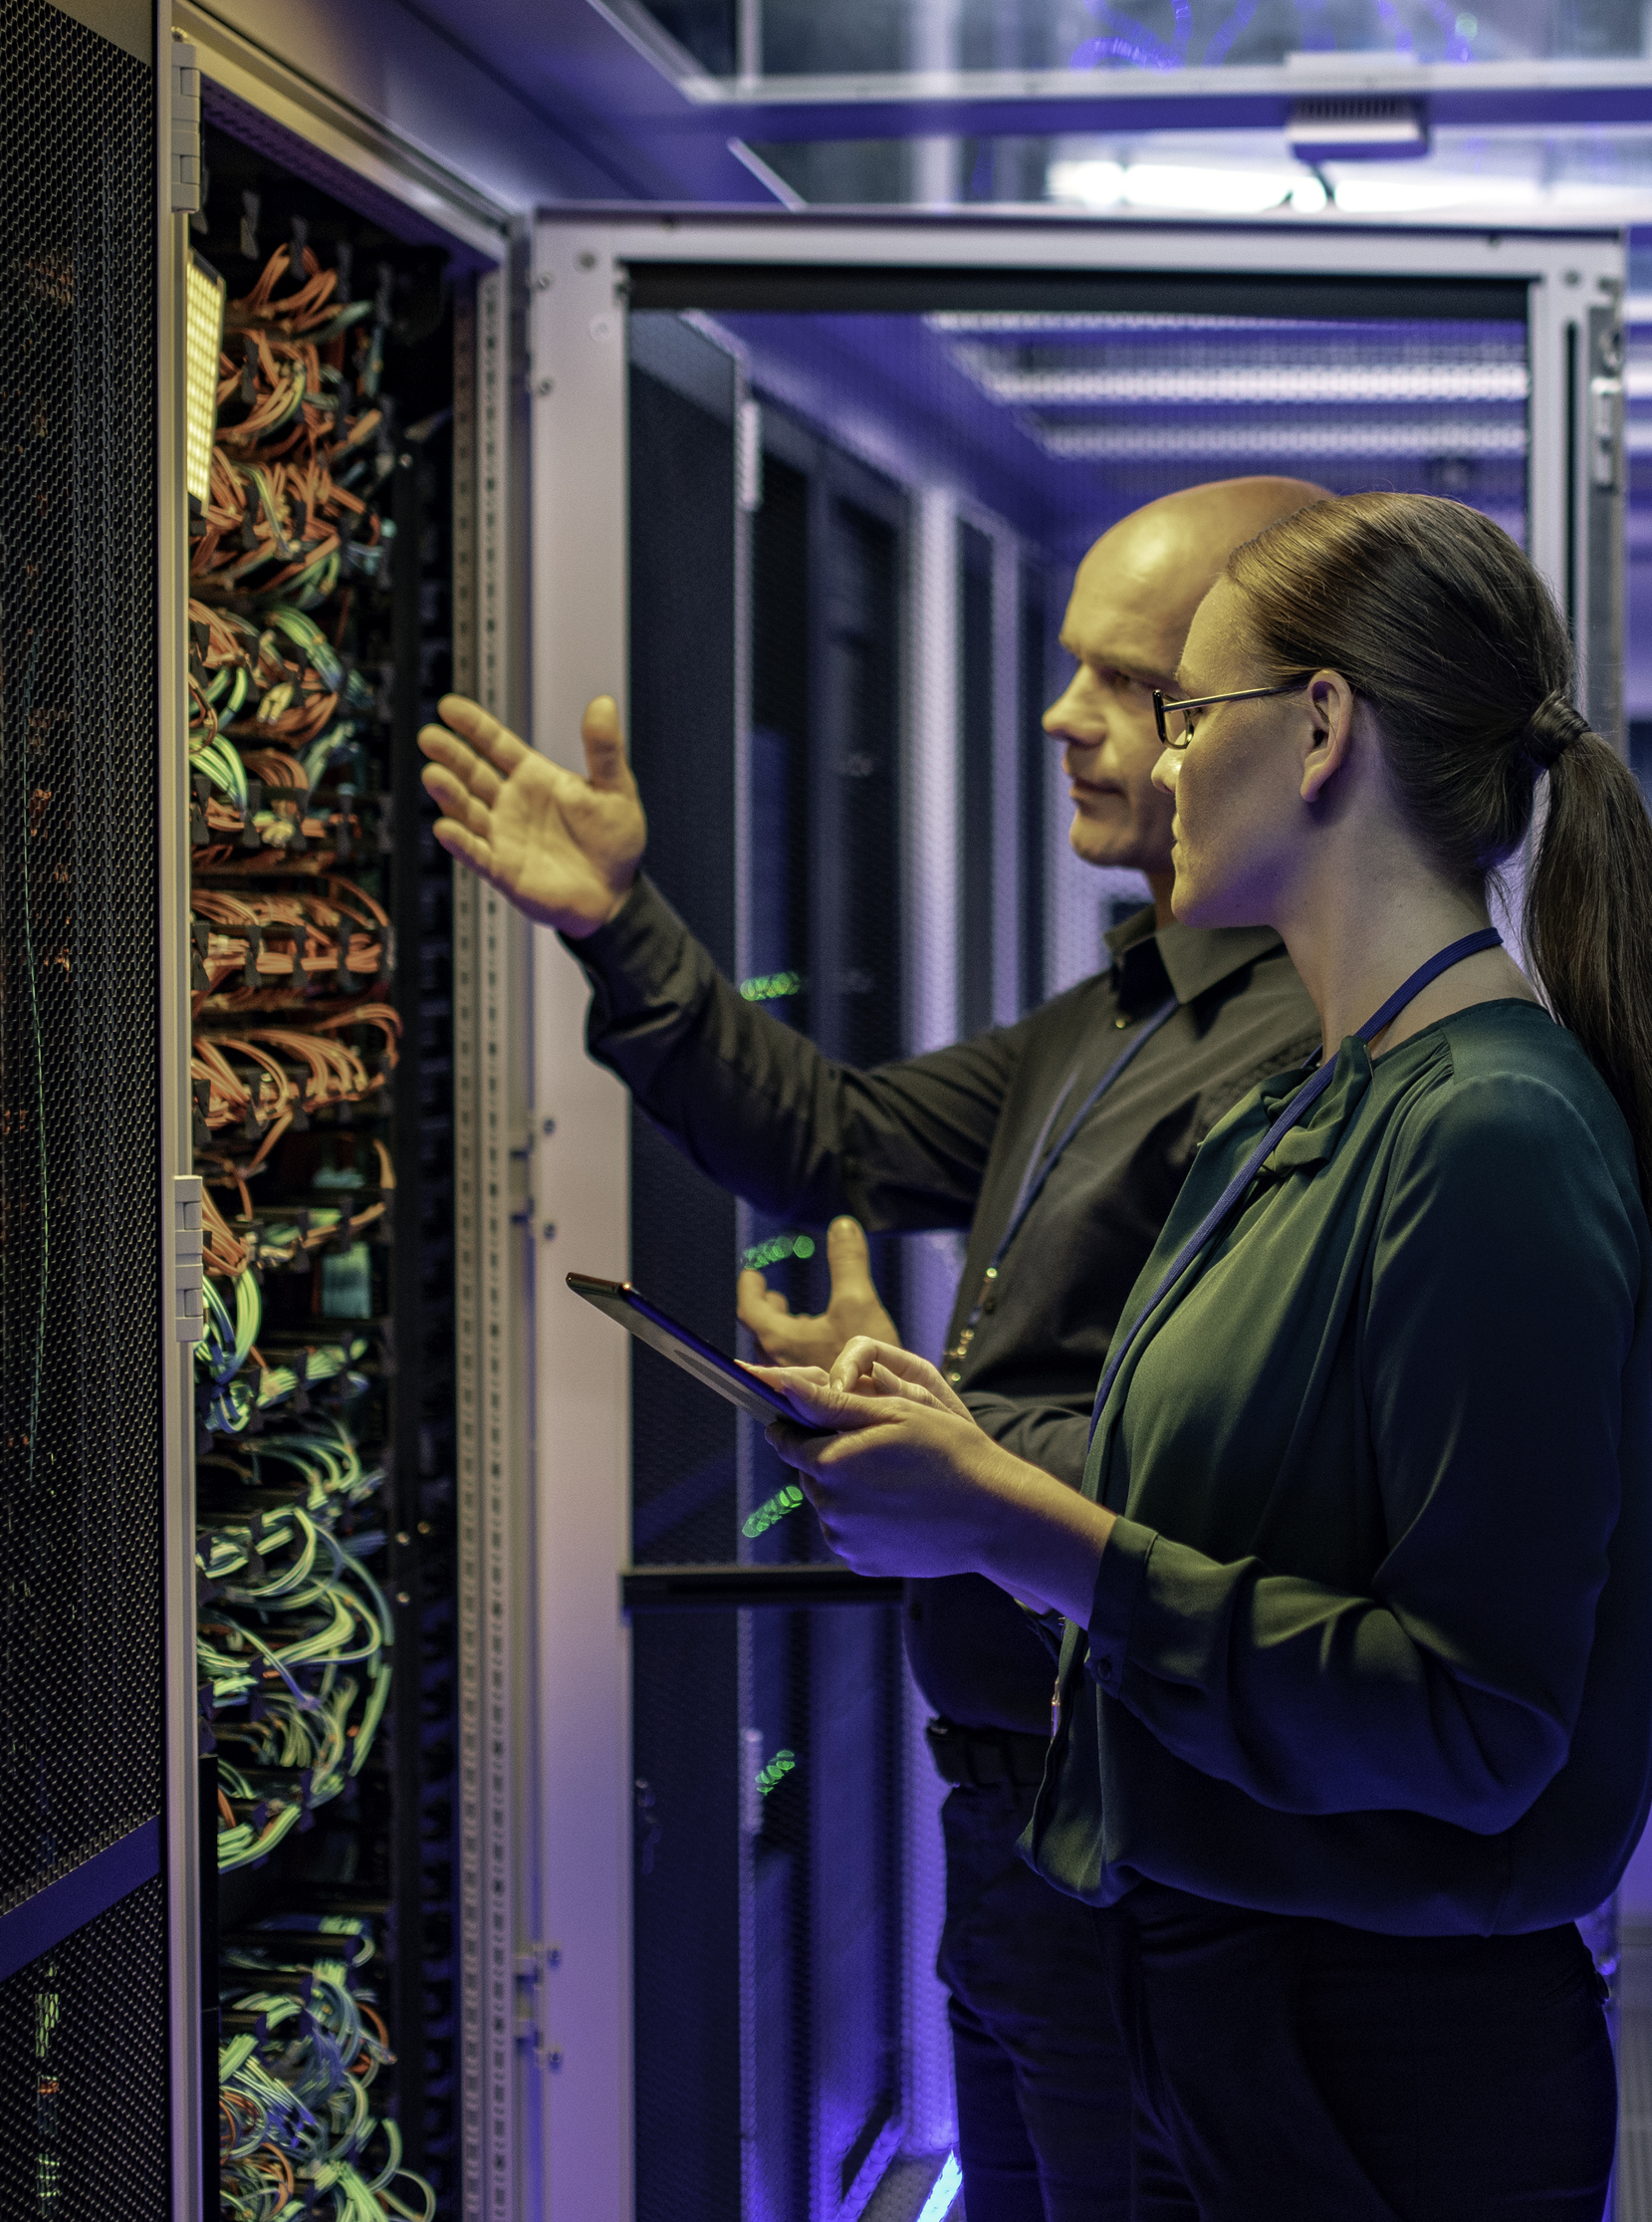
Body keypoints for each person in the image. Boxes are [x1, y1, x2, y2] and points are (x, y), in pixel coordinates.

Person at [752, 491, 1652, 2220]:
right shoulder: (1321, 1106)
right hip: (1220, 1999)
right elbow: (1236, 1522)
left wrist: (1007, 1527)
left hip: (1376, 2065)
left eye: (1186, 713)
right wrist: (950, 1441)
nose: (1150, 759)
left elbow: (1473, 1719)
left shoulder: (1490, 1132)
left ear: (1317, 732)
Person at [410, 477, 1334, 2222]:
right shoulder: (1127, 1009)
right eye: (1070, 669)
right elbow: (833, 1141)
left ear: (1295, 722)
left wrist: (943, 1439)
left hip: (1140, 1839)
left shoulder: (1299, 1052)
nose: (1062, 717)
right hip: (1011, 1820)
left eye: (1125, 684)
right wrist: (617, 927)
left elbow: (1234, 1478)